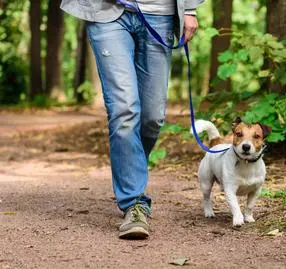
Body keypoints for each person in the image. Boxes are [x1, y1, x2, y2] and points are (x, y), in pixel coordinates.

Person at [60, 0, 204, 239]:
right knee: (124, 110)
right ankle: (134, 203)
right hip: (107, 12)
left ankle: (131, 169)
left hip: (160, 14)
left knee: (152, 118)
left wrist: (189, 8)